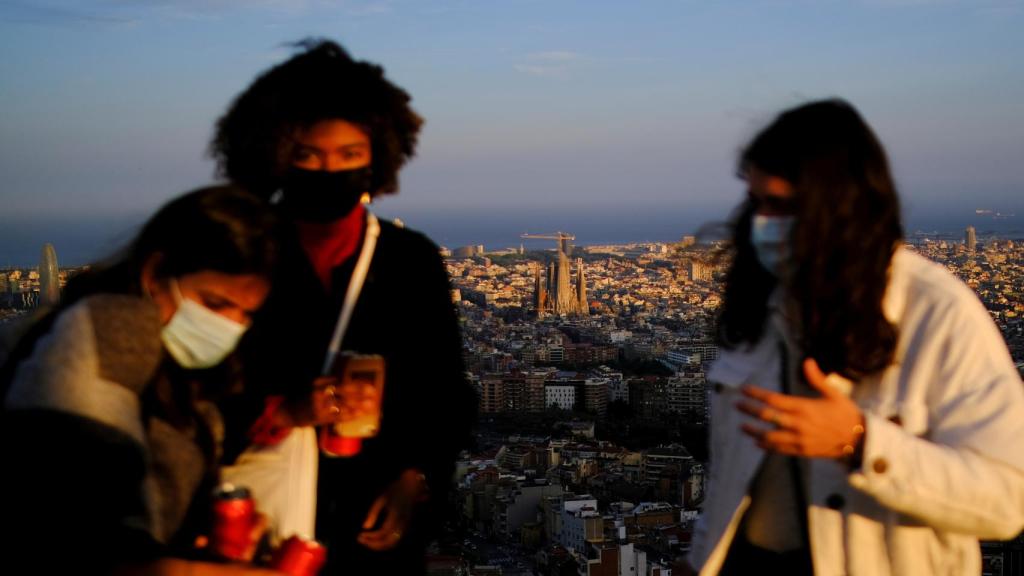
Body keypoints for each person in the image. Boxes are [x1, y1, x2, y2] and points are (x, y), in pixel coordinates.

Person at [687, 99, 1024, 575]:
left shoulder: (937, 313)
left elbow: (1007, 501)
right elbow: (727, 472)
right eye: (758, 202)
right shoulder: (757, 303)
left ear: (840, 207)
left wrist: (861, 442)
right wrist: (699, 559)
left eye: (783, 207)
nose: (762, 222)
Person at [210, 39, 476, 574]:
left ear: (378, 158)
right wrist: (281, 411)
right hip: (245, 522)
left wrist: (414, 480)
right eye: (309, 156)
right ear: (273, 157)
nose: (329, 171)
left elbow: (445, 391)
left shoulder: (408, 261)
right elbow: (185, 385)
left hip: (369, 528)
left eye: (349, 156)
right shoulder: (235, 248)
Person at [1, 186, 283, 575]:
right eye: (216, 304)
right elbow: (73, 531)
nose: (229, 326)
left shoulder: (183, 375)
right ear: (155, 274)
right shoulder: (116, 325)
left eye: (245, 314)